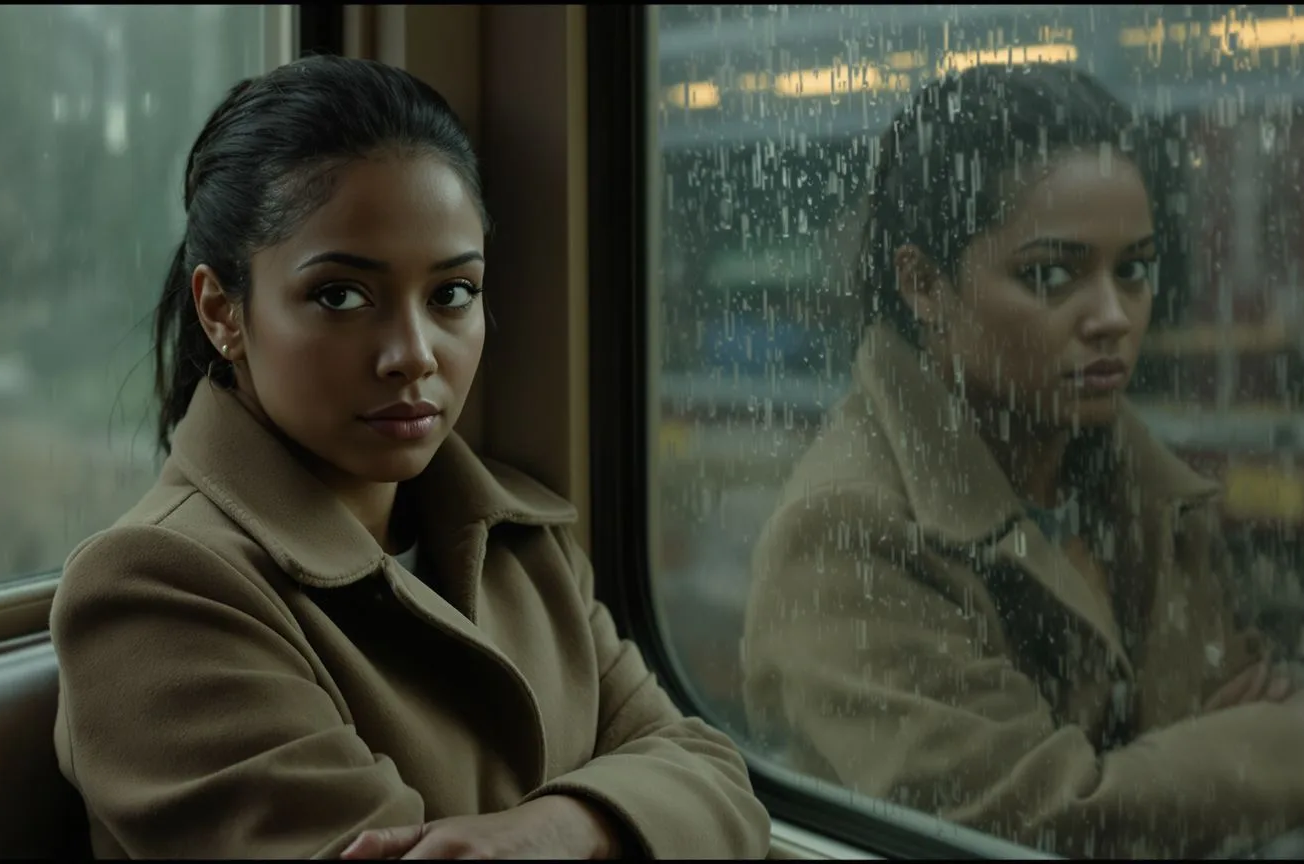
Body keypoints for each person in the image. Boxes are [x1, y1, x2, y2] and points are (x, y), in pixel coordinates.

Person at [50, 55, 771, 860]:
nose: (413, 354)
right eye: (341, 297)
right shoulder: (156, 590)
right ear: (222, 310)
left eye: (452, 294)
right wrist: (623, 818)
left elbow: (714, 777)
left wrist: (553, 833)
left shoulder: (524, 545)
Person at [740, 62, 1304, 859]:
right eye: (1051, 275)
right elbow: (1026, 825)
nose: (1113, 317)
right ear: (923, 285)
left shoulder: (1131, 481)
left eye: (1136, 270)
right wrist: (1281, 747)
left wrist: (1138, 776)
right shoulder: (851, 528)